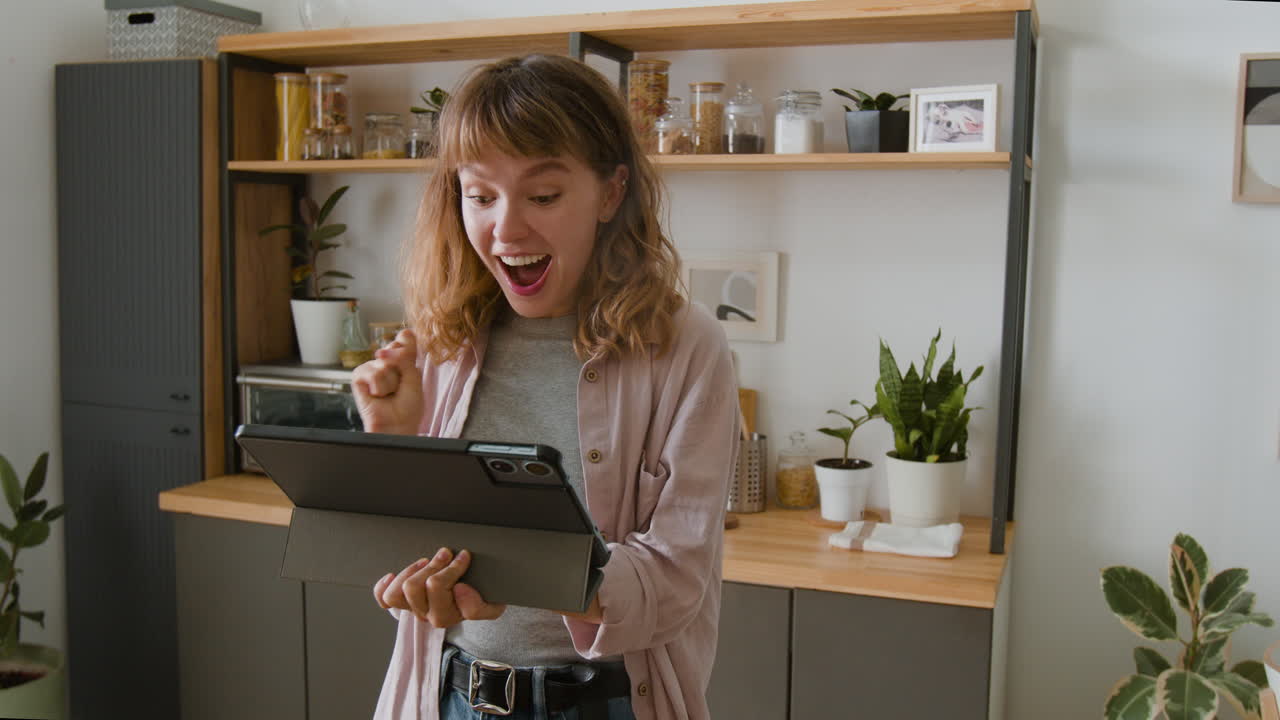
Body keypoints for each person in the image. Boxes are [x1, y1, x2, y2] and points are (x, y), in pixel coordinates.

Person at [351, 54, 740, 720]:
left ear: (612, 194)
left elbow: (678, 581)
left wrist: (521, 570)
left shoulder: (686, 347)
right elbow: (410, 566)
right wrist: (395, 441)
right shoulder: (441, 338)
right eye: (480, 195)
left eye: (543, 195)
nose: (506, 228)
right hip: (452, 699)